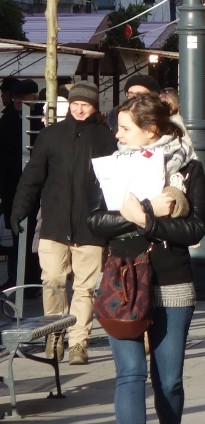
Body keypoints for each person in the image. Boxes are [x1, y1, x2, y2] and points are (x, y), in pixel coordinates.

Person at [88, 93, 205, 424]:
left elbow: (195, 229)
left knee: (169, 382)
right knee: (131, 372)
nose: (117, 135)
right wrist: (148, 211)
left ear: (151, 129)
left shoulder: (188, 167)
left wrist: (148, 221)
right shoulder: (113, 167)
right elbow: (95, 222)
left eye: (125, 128)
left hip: (171, 282)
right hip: (121, 279)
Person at [9, 82, 115, 365]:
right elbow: (32, 177)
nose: (80, 109)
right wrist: (18, 210)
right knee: (53, 281)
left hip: (90, 226)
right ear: (70, 105)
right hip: (54, 224)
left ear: (94, 107)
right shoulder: (50, 136)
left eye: (86, 105)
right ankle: (55, 336)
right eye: (76, 104)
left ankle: (79, 342)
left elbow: (114, 185)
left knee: (85, 287)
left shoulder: (106, 139)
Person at [0, 78, 42, 290]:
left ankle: (31, 280)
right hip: (12, 187)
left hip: (35, 189)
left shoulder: (40, 120)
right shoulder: (7, 121)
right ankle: (17, 279)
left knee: (33, 234)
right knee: (17, 236)